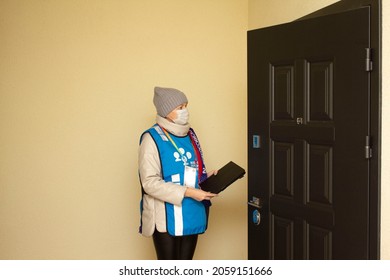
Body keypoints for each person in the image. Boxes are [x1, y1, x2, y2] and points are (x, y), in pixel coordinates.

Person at [138, 86, 217, 260]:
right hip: (164, 218)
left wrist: (207, 178)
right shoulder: (151, 138)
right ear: (166, 111)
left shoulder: (190, 135)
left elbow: (188, 170)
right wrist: (189, 192)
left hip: (191, 211)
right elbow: (149, 183)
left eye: (186, 106)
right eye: (180, 108)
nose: (185, 111)